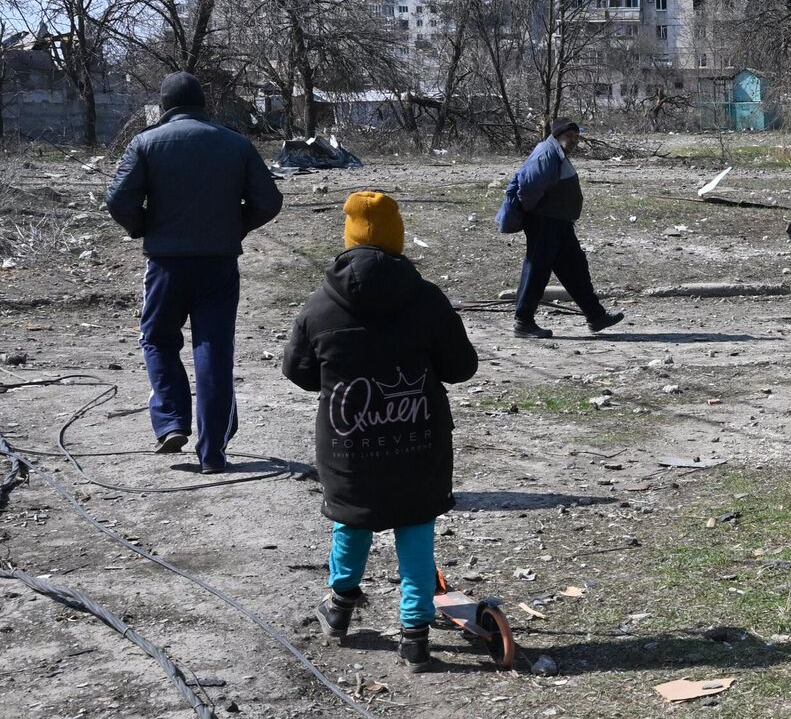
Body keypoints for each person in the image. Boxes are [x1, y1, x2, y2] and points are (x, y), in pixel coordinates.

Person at [282, 191, 478, 673]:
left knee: (351, 519)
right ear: (398, 239)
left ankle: (340, 607)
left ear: (348, 238)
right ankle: (415, 635)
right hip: (418, 439)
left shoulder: (320, 306)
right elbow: (461, 367)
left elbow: (299, 372)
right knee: (415, 527)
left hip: (349, 444)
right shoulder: (426, 298)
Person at [105, 72, 283, 474]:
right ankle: (214, 453)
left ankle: (171, 422)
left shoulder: (146, 142)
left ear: (165, 106)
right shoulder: (235, 142)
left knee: (156, 338)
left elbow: (118, 199)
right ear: (204, 104)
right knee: (214, 351)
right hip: (219, 264)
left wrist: (142, 225)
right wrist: (237, 225)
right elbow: (269, 200)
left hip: (166, 264)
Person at [497, 119, 623, 339]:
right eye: (570, 136)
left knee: (575, 268)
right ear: (558, 135)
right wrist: (535, 214)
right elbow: (528, 187)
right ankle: (523, 322)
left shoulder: (556, 152)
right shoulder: (548, 154)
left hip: (559, 222)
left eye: (576, 137)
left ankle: (596, 316)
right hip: (546, 222)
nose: (574, 141)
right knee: (537, 270)